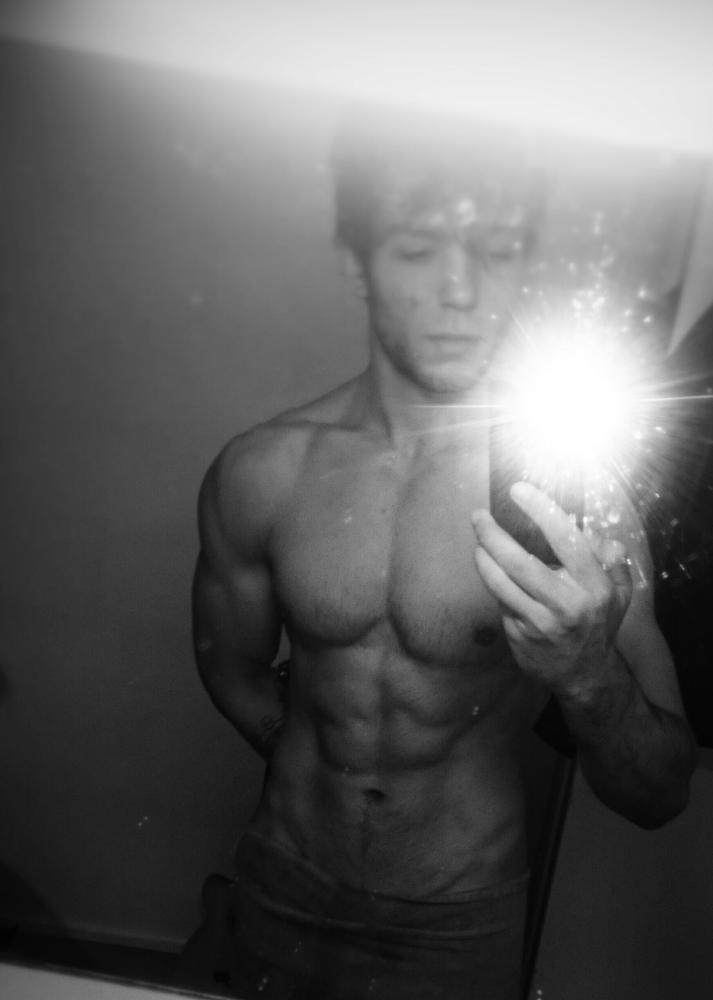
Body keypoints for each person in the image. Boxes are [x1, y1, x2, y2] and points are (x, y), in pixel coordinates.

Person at [191, 105, 697, 1000]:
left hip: (457, 921)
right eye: (419, 248)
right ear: (358, 262)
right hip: (282, 880)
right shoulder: (262, 474)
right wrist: (319, 764)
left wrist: (587, 674)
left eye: (494, 251)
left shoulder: (572, 495)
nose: (459, 290)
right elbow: (230, 671)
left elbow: (659, 794)